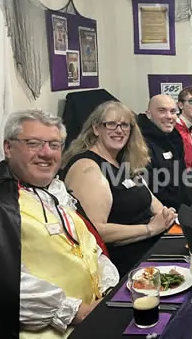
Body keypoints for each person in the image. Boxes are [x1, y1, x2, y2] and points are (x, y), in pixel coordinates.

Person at [0, 109, 119, 339]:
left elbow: (90, 248)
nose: (46, 153)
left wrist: (109, 291)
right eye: (33, 143)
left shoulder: (57, 192)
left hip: (94, 320)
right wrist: (73, 311)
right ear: (8, 148)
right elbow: (1, 282)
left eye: (54, 144)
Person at [61, 101, 176, 275]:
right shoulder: (88, 167)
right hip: (125, 266)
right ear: (96, 128)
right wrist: (150, 229)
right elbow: (94, 230)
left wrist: (166, 215)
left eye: (125, 125)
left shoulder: (123, 161)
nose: (119, 130)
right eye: (111, 124)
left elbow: (152, 200)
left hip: (153, 249)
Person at [138, 94, 182, 209]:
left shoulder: (174, 137)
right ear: (148, 114)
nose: (169, 116)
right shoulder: (140, 143)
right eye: (162, 111)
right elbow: (151, 189)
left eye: (173, 112)